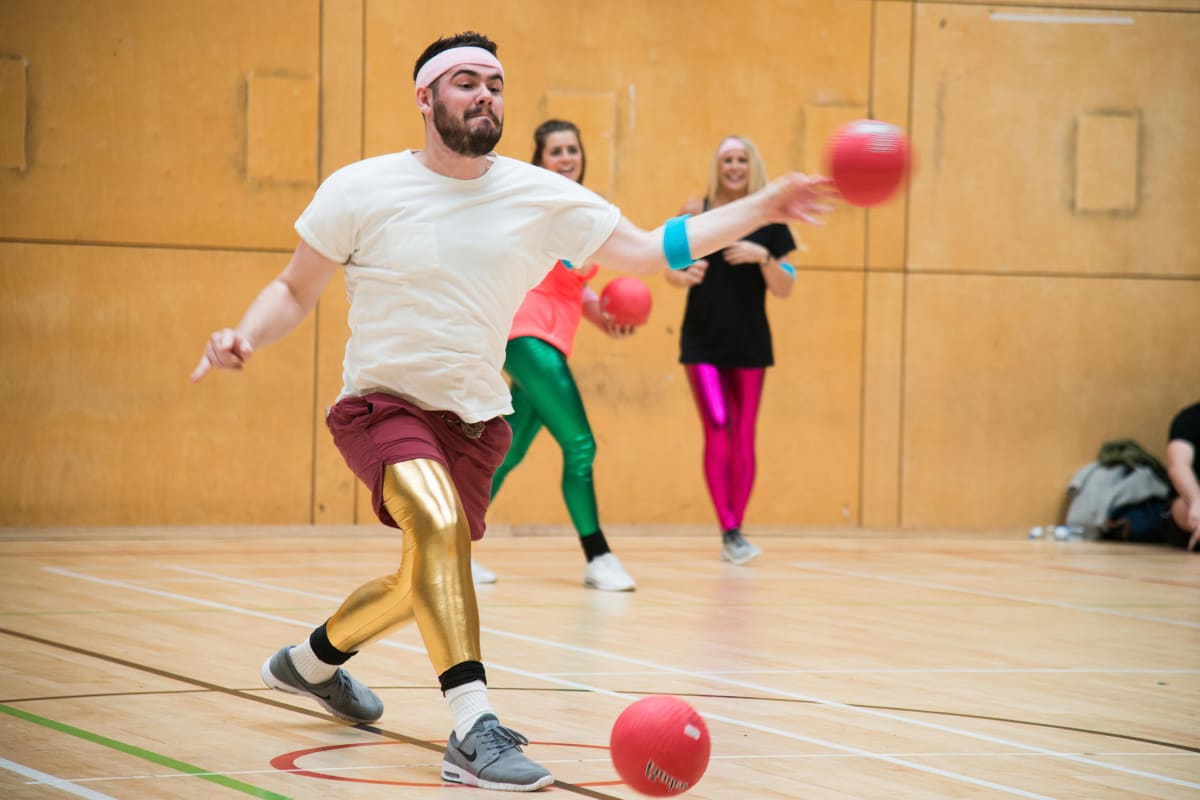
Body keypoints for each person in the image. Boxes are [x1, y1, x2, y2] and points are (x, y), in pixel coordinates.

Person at [191, 31, 833, 792]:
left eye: (495, 83)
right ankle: (472, 727)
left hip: (474, 421)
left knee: (422, 578)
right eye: (465, 82)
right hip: (381, 405)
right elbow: (297, 288)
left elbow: (651, 247)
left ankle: (308, 664)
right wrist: (245, 336)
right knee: (435, 530)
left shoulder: (540, 195)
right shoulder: (359, 189)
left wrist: (764, 203)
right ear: (425, 98)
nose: (485, 95)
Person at [474, 119, 638, 592]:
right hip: (525, 337)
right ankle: (598, 556)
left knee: (508, 452)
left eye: (572, 149)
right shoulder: (535, 205)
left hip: (550, 339)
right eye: (555, 151)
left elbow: (576, 286)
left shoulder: (587, 211)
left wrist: (604, 316)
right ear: (540, 160)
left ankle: (450, 549)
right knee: (581, 445)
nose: (566, 158)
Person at [664, 135, 799, 566]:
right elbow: (669, 269)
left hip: (750, 341)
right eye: (727, 159)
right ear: (717, 166)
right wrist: (683, 275)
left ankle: (735, 529)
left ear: (752, 164)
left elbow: (786, 287)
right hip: (701, 339)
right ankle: (728, 528)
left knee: (744, 433)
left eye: (742, 159)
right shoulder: (695, 213)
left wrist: (763, 257)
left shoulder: (771, 218)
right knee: (717, 425)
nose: (735, 166)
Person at [1166, 401, 1200, 551]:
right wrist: (1196, 501)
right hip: (1192, 502)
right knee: (1182, 506)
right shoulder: (1190, 418)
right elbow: (1179, 466)